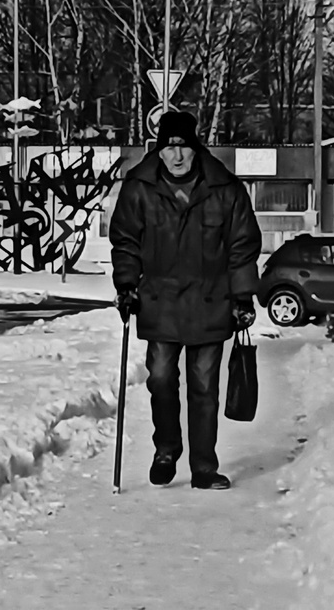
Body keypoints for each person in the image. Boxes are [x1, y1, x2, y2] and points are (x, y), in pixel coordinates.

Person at [109, 109, 261, 489]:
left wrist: (242, 296)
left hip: (210, 300)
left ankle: (204, 468)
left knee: (204, 386)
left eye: (183, 147)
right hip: (160, 300)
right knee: (160, 379)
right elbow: (125, 240)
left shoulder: (225, 190)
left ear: (196, 148)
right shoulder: (139, 187)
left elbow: (242, 245)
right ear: (158, 151)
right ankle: (167, 449)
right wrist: (126, 285)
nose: (176, 156)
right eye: (169, 148)